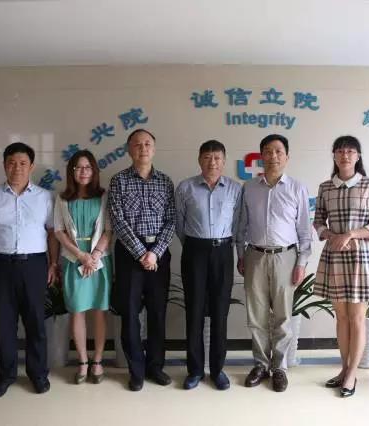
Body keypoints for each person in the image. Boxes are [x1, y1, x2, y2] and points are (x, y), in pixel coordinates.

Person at [0, 142, 59, 399]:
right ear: (4, 165)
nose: (17, 168)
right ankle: (5, 376)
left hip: (34, 266)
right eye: (11, 163)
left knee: (36, 323)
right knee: (4, 325)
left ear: (31, 166)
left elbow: (52, 233)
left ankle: (38, 374)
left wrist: (53, 263)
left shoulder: (45, 197)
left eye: (22, 163)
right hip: (0, 266)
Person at [236, 134, 312, 392]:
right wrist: (240, 255)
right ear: (261, 156)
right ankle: (260, 364)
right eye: (268, 151)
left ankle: (279, 367)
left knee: (282, 315)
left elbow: (304, 230)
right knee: (256, 315)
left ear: (287, 157)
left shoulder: (297, 188)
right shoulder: (249, 188)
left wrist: (301, 262)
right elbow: (242, 226)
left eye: (278, 151)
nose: (273, 156)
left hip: (285, 257)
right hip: (254, 256)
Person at [313, 136, 369, 397]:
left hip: (361, 257)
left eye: (350, 151)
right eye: (340, 151)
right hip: (335, 255)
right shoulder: (325, 187)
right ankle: (344, 369)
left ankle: (352, 374)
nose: (345, 155)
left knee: (357, 318)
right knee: (341, 317)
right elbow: (318, 220)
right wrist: (331, 236)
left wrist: (350, 235)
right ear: (334, 155)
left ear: (358, 156)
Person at [108, 129, 176, 391]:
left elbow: (171, 220)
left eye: (147, 144)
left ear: (154, 149)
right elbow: (118, 220)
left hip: (159, 254)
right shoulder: (119, 181)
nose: (143, 148)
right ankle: (136, 370)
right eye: (137, 144)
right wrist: (140, 253)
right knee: (130, 314)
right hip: (129, 254)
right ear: (129, 150)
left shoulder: (165, 182)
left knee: (158, 313)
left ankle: (155, 367)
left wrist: (155, 252)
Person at [175, 140, 241, 391]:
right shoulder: (185, 187)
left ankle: (217, 369)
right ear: (199, 160)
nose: (212, 162)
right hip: (195, 251)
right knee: (194, 311)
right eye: (207, 157)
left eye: (217, 158)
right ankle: (194, 370)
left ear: (224, 161)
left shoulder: (235, 189)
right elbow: (179, 224)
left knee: (220, 312)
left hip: (223, 251)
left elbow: (238, 223)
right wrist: (197, 245)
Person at [54, 150, 112, 385]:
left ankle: (97, 360)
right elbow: (59, 231)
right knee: (77, 310)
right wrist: (81, 256)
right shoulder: (62, 198)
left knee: (99, 310)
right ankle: (82, 361)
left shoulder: (104, 196)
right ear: (72, 171)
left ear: (94, 170)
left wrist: (94, 256)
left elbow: (108, 230)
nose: (83, 171)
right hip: (73, 259)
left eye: (88, 167)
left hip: (100, 260)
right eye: (78, 167)